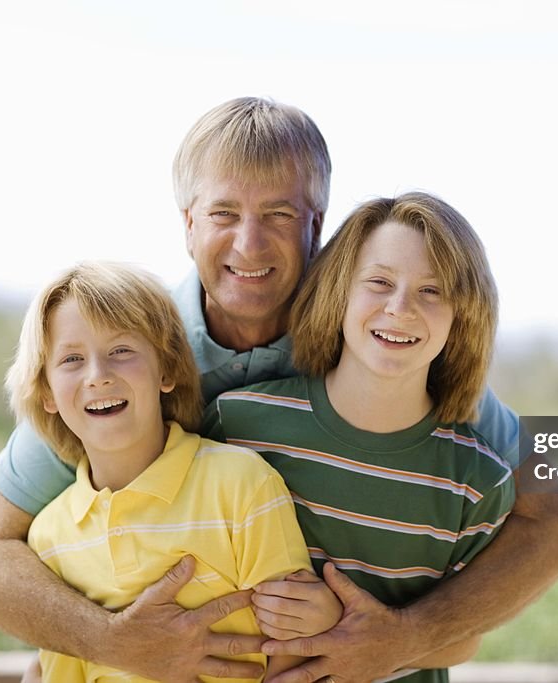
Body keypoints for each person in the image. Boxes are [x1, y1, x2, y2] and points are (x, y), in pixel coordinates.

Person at [0, 97, 558, 683]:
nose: (248, 243)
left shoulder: (375, 338)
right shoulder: (133, 356)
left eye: (278, 214)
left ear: (317, 223)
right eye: (224, 213)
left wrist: (403, 637)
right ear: (189, 222)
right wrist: (109, 642)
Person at [206, 193, 514, 682]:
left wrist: (343, 625)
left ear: (463, 316)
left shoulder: (477, 480)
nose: (400, 308)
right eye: (379, 282)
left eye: (431, 292)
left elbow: (462, 637)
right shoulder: (239, 424)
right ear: (339, 292)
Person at [6, 261, 334, 681]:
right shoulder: (49, 537)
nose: (97, 376)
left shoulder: (242, 486)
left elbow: (290, 657)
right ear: (47, 392)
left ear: (166, 369)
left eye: (121, 351)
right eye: (71, 359)